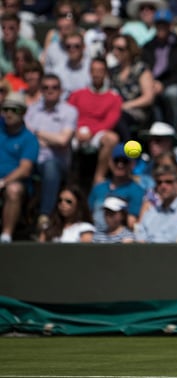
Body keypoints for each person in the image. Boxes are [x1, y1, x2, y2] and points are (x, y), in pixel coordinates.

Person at [24, 74, 78, 231]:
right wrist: (50, 139)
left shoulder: (69, 111)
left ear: (61, 90)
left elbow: (63, 140)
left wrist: (38, 132)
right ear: (40, 90)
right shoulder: (32, 110)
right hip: (31, 158)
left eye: (54, 87)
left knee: (50, 167)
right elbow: (27, 136)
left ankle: (44, 216)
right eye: (46, 88)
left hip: (56, 162)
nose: (50, 91)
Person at [67, 56, 121, 188]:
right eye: (94, 70)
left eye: (100, 70)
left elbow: (110, 121)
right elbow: (68, 115)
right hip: (77, 131)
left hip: (97, 134)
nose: (97, 74)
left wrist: (92, 133)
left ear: (106, 73)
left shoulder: (114, 97)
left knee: (112, 139)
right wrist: (77, 131)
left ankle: (99, 178)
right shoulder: (77, 94)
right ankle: (69, 178)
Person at [141, 8, 177, 134]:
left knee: (173, 93)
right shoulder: (148, 46)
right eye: (159, 24)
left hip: (171, 85)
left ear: (170, 26)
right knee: (147, 95)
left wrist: (163, 85)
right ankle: (153, 135)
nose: (161, 27)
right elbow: (143, 68)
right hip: (150, 84)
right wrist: (151, 84)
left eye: (164, 24)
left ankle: (175, 133)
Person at [0, 91, 39, 243]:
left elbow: (25, 169)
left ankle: (6, 235)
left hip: (16, 184)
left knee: (13, 190)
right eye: (6, 109)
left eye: (14, 110)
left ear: (23, 112)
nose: (9, 113)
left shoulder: (29, 138)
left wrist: (3, 182)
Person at [88, 143, 145, 232]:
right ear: (110, 162)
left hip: (120, 240)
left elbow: (132, 223)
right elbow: (88, 216)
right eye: (116, 160)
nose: (120, 165)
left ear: (132, 164)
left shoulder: (137, 191)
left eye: (124, 161)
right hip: (95, 237)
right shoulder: (98, 188)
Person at [109, 33, 155, 141]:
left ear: (130, 50)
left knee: (118, 117)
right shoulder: (113, 71)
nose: (115, 52)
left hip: (136, 111)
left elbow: (148, 98)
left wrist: (126, 105)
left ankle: (129, 150)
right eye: (113, 48)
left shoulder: (141, 69)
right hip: (116, 109)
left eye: (120, 49)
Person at [135, 164, 177, 242]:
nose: (163, 186)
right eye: (159, 182)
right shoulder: (149, 214)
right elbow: (140, 240)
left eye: (168, 182)